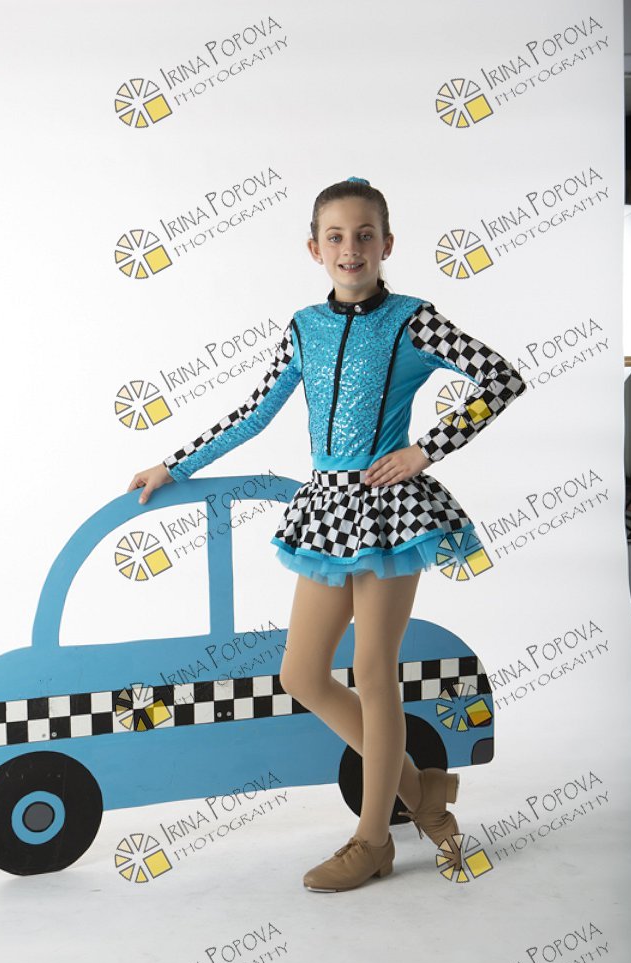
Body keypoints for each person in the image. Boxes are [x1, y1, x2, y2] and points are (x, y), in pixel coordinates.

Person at [127, 177, 526, 894]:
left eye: (365, 235)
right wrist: (174, 464)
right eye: (336, 236)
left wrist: (425, 450)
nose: (351, 248)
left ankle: (373, 841)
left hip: (390, 510)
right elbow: (255, 412)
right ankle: (424, 795)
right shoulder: (304, 326)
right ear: (314, 249)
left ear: (387, 244)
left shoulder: (412, 320)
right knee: (302, 675)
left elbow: (499, 378)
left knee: (373, 671)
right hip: (326, 511)